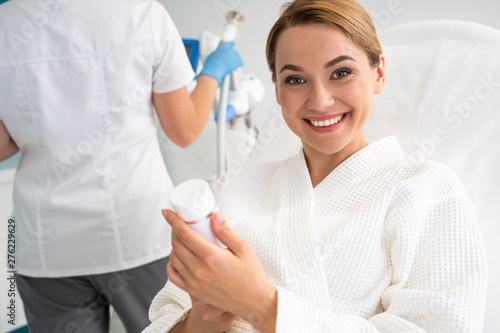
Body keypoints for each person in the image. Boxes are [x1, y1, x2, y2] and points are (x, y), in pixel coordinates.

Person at [143, 0, 489, 332]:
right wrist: (206, 319)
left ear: (378, 73)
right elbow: (166, 319)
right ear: (277, 90)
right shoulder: (233, 187)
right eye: (295, 79)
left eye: (341, 72)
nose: (320, 100)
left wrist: (262, 306)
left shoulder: (427, 190)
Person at [0, 0, 242, 332]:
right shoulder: (142, 14)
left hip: (46, 244)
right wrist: (212, 73)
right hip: (137, 235)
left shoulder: (5, 21)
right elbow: (184, 131)